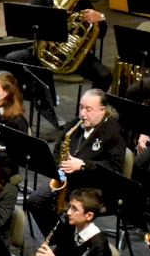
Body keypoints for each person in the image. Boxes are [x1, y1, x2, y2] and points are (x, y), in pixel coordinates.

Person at [4, 0, 111, 122]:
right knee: (11, 59)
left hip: (72, 56)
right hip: (43, 53)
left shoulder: (82, 1)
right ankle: (24, 104)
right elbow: (30, 30)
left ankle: (90, 116)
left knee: (105, 75)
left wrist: (100, 18)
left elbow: (100, 33)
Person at [24, 89, 125, 233]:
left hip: (95, 185)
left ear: (102, 111)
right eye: (81, 107)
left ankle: (65, 240)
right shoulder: (77, 123)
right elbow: (59, 147)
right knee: (35, 200)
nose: (82, 113)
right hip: (68, 178)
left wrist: (83, 165)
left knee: (73, 212)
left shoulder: (113, 131)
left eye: (88, 109)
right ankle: (58, 238)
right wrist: (59, 166)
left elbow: (115, 169)